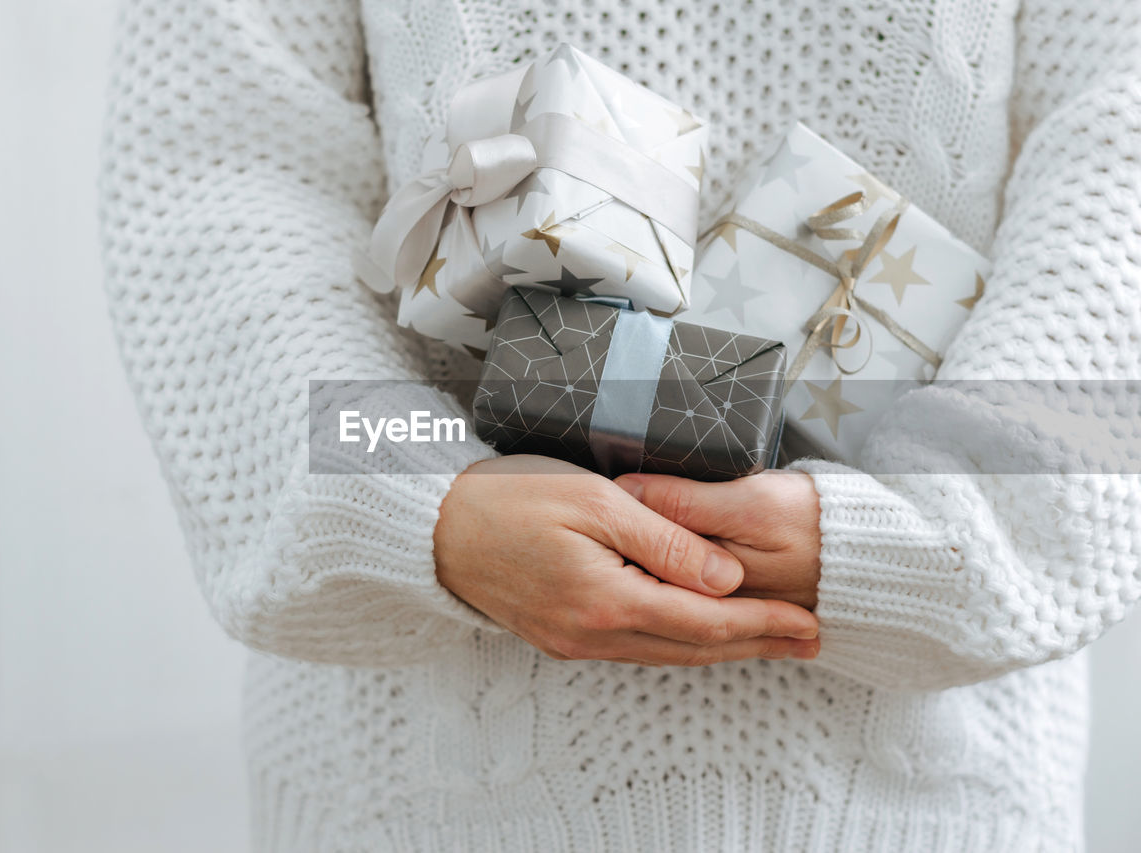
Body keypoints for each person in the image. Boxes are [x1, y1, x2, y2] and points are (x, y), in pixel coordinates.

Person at [99, 0, 1141, 850]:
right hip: (421, 794)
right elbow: (217, 191)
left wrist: (954, 521)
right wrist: (422, 499)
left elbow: (1117, 168)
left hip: (930, 794)